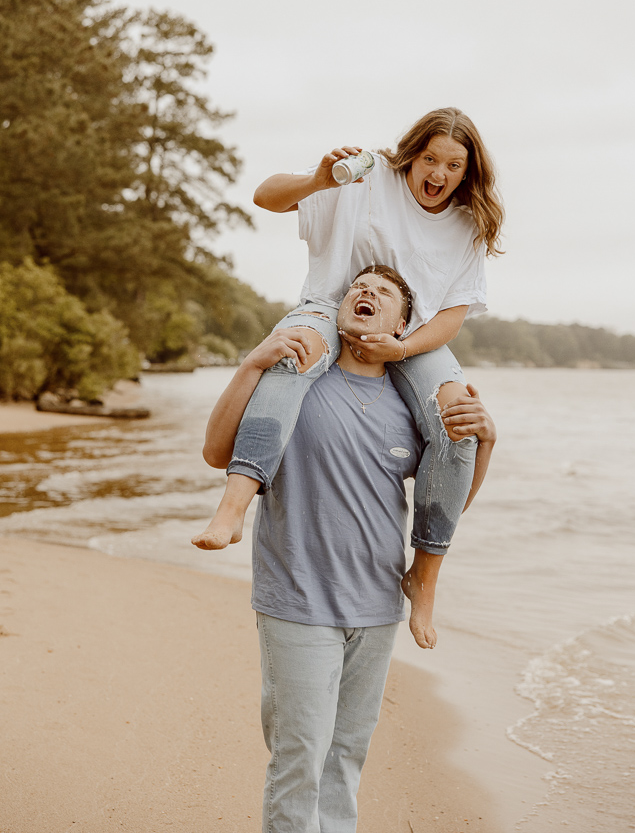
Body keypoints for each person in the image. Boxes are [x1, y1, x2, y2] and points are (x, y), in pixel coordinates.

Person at [192, 266, 496, 833]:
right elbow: (216, 451)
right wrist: (253, 362)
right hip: (297, 602)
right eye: (358, 287)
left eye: (383, 294)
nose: (366, 294)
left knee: (344, 762)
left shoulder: (413, 407)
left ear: (403, 325)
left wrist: (487, 442)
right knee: (298, 764)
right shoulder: (299, 378)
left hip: (378, 607)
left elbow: (448, 505)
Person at [195, 107, 504, 648]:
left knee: (459, 420)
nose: (439, 173)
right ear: (412, 154)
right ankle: (233, 506)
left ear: (468, 170)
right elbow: (266, 195)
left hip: (413, 334)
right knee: (294, 353)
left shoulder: (467, 223)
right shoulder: (368, 175)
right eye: (430, 158)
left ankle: (425, 576)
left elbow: (452, 314)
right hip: (328, 307)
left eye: (454, 164)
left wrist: (404, 344)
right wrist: (319, 178)